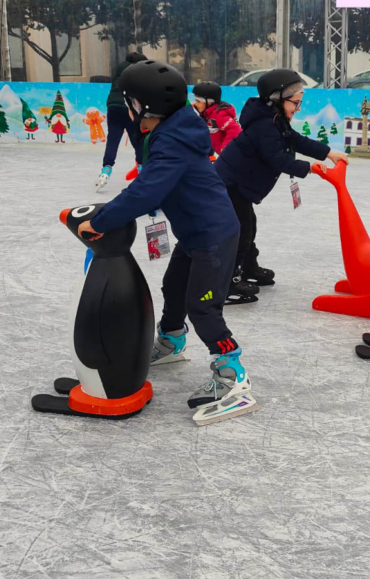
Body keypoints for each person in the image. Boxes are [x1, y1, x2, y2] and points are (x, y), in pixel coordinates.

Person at [79, 60, 258, 424]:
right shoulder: (174, 128)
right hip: (197, 232)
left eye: (130, 102)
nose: (128, 109)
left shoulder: (172, 139)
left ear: (145, 105)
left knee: (203, 306)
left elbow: (148, 190)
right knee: (173, 287)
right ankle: (173, 341)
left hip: (214, 236)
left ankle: (232, 373)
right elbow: (159, 182)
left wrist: (100, 220)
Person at [215, 69, 349, 303]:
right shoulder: (264, 125)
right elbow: (276, 158)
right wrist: (309, 168)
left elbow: (297, 140)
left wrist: (329, 152)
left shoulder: (275, 120)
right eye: (294, 103)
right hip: (230, 183)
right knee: (241, 230)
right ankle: (227, 283)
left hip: (238, 184)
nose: (297, 109)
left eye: (300, 103)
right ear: (276, 98)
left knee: (248, 226)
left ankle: (248, 268)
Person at [95, 51, 147, 191]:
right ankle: (142, 170)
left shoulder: (119, 71)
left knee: (113, 139)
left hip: (113, 107)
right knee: (137, 140)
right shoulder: (137, 72)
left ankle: (106, 170)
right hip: (128, 108)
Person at [191, 81, 242, 157]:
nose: (196, 104)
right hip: (215, 150)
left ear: (210, 102)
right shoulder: (205, 112)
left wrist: (225, 149)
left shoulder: (219, 115)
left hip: (234, 155)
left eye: (198, 101)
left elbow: (235, 130)